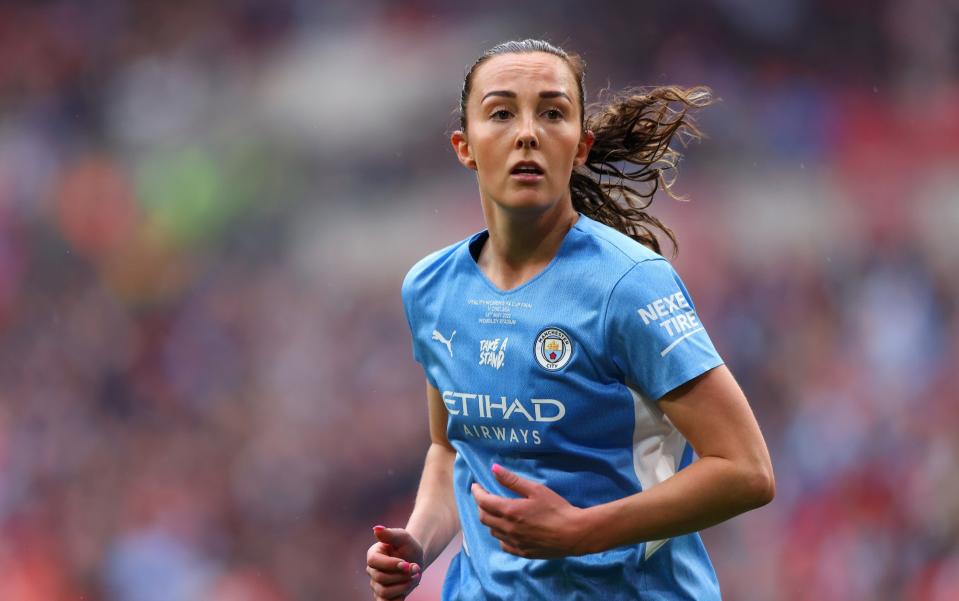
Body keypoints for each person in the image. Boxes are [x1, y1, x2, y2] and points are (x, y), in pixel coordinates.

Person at [365, 39, 774, 601]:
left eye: (552, 112)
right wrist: (418, 541)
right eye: (502, 112)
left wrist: (579, 531)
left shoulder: (629, 285)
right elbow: (453, 446)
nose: (527, 132)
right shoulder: (432, 288)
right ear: (465, 146)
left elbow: (746, 470)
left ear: (580, 147)